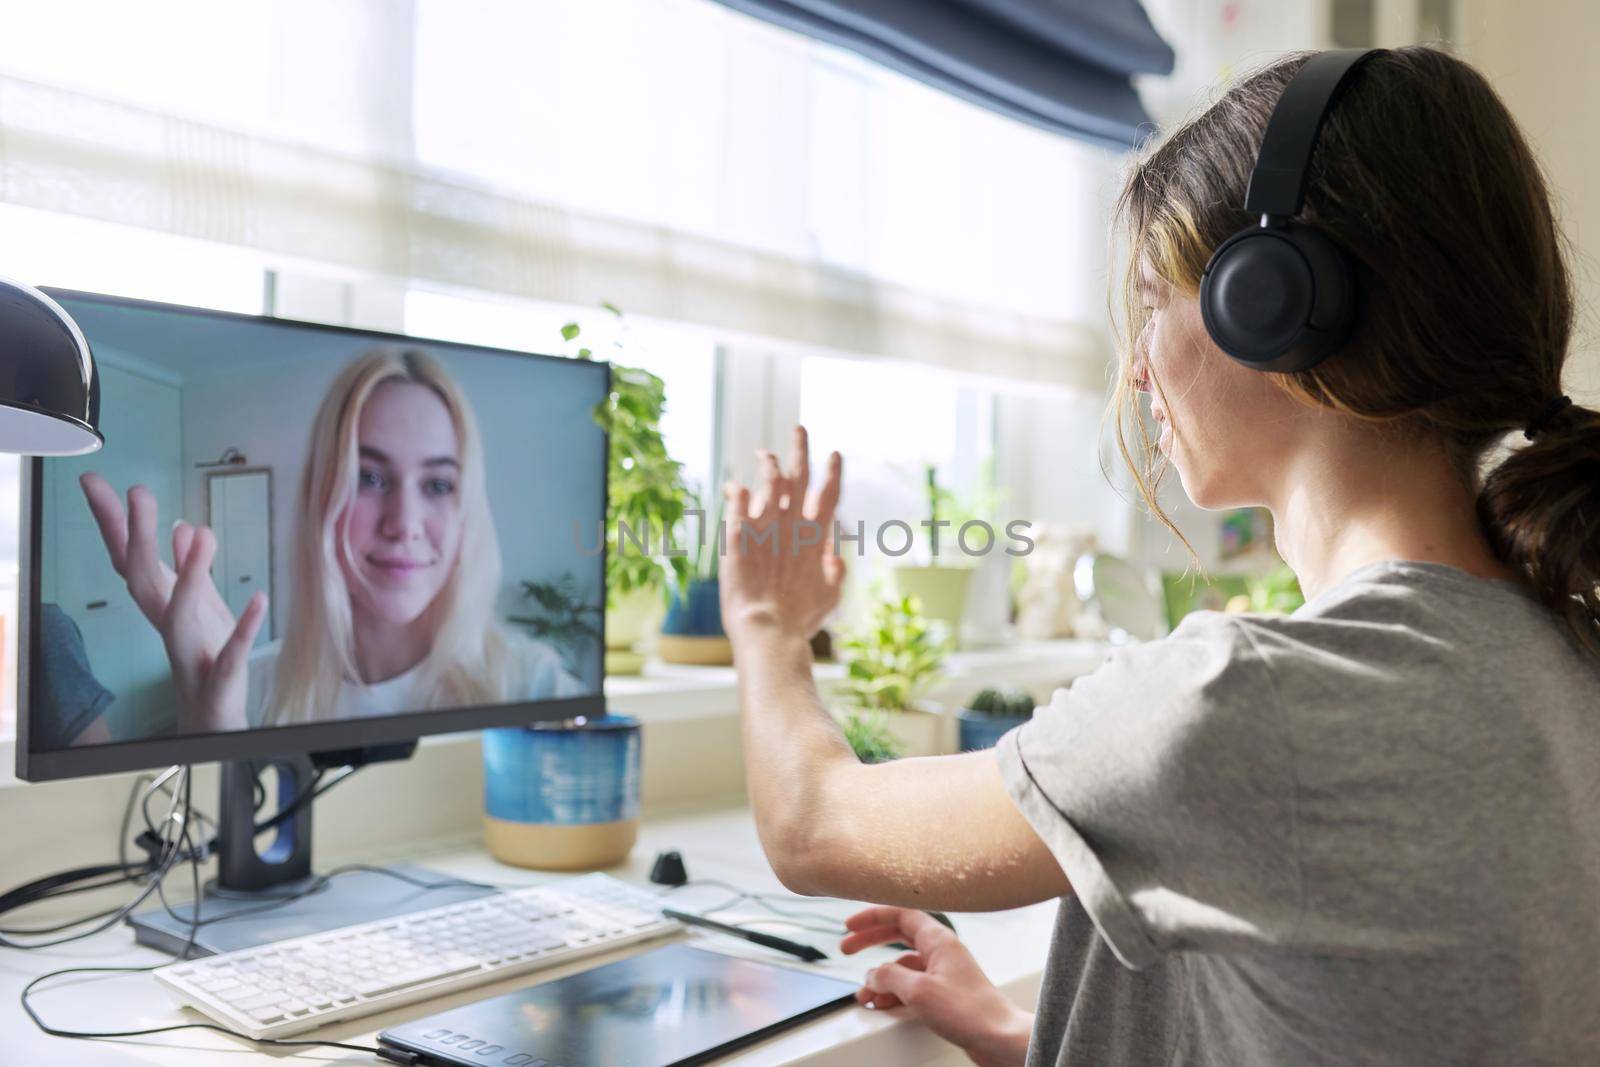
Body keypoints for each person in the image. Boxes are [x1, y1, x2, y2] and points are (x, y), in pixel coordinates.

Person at [717, 46, 1600, 1066]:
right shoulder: (1565, 652)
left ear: (1268, 303)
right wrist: (1026, 1031)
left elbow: (811, 824)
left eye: (1152, 301)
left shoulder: (1243, 700)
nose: (1136, 365)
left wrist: (768, 624)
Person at [80, 347, 585, 735]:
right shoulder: (251, 695)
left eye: (437, 485)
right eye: (368, 477)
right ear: (320, 497)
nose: (404, 523)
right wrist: (213, 736)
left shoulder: (532, 686)